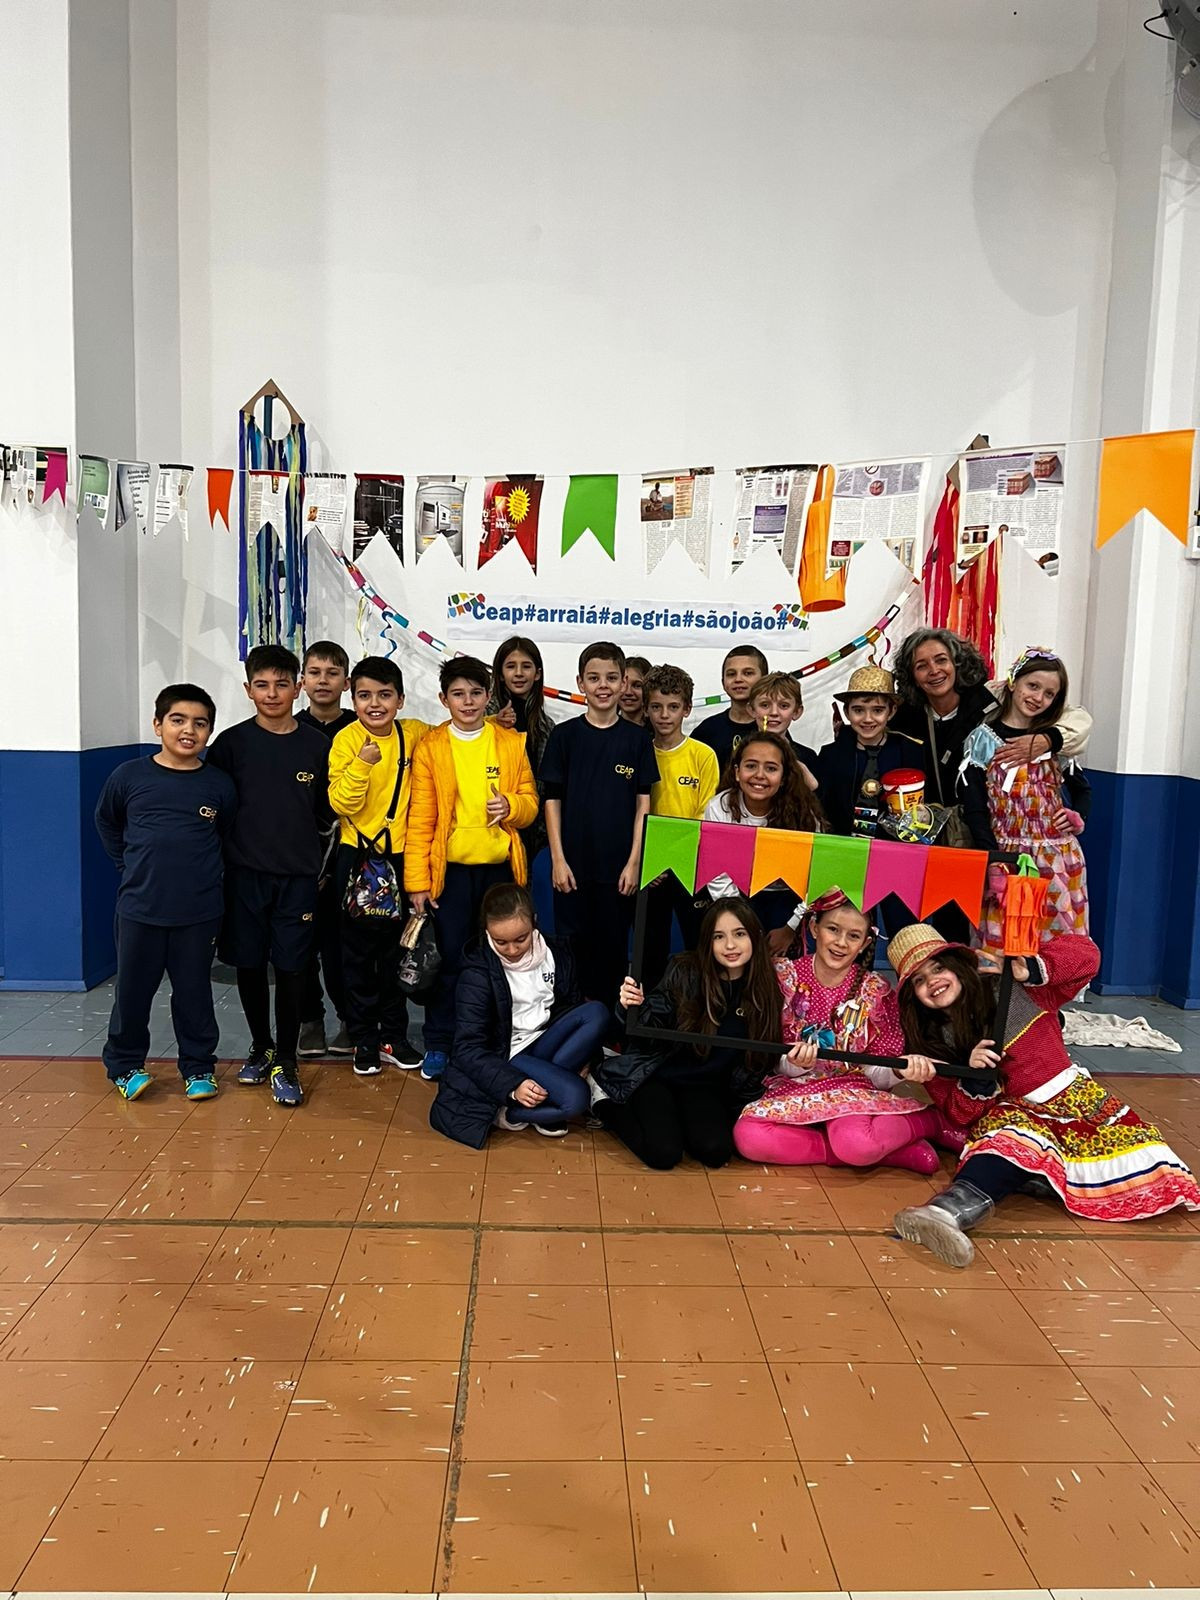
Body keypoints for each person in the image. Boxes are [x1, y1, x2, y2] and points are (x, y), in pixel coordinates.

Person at [888, 924, 1200, 1267]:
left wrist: (1032, 969)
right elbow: (959, 1114)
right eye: (919, 980)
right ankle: (943, 1214)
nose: (932, 981)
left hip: (1079, 1106)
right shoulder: (931, 1042)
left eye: (938, 968)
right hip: (1014, 1117)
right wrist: (976, 1077)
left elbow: (1087, 955)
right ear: (911, 995)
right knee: (1009, 1139)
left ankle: (1036, 1177)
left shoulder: (1019, 990)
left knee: (1148, 1166)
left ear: (958, 966)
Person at [734, 891, 961, 1172]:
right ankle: (885, 1153)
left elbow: (877, 1072)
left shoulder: (875, 990)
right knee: (748, 1136)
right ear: (814, 927)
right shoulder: (782, 976)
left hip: (852, 1090)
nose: (841, 943)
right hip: (793, 1087)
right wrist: (793, 1063)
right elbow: (768, 1053)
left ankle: (931, 1122)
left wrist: (898, 1070)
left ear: (865, 942)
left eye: (853, 936)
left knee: (855, 1143)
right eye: (833, 929)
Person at [95, 684, 237, 1101]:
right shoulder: (128, 777)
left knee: (194, 994)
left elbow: (226, 836)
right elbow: (106, 822)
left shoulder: (219, 784)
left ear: (209, 731)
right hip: (140, 908)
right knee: (132, 993)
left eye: (200, 723)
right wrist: (128, 866)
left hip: (199, 912)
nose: (188, 730)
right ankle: (124, 1065)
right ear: (158, 725)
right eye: (178, 720)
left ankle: (198, 1067)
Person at [207, 645, 332, 1108]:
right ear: (248, 689)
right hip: (244, 877)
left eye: (282, 684)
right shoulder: (230, 745)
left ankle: (287, 1058)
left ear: (298, 688)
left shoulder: (317, 745)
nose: (272, 693)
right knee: (249, 962)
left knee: (293, 966)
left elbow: (327, 815)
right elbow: (215, 811)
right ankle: (261, 1047)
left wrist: (318, 865)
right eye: (262, 685)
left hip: (298, 878)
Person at [406, 656, 539, 1082]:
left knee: (501, 959)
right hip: (450, 874)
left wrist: (511, 806)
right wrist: (418, 883)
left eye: (476, 693)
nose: (468, 702)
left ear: (488, 696)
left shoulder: (509, 742)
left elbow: (530, 803)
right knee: (447, 962)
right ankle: (440, 1042)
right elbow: (420, 819)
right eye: (458, 694)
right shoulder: (431, 747)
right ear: (443, 699)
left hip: (499, 872)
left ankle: (494, 1040)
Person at [593, 898, 793, 1170]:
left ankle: (675, 1122)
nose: (730, 945)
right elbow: (648, 1027)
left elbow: (759, 1057)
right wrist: (631, 1006)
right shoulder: (686, 969)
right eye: (719, 936)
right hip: (658, 1075)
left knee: (715, 1151)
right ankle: (602, 1102)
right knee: (663, 1154)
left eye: (739, 934)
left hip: (707, 1087)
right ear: (707, 941)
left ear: (755, 937)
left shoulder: (765, 986)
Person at [431, 883, 609, 1146]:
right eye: (501, 942)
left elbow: (570, 1009)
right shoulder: (477, 972)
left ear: (534, 922)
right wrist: (513, 1086)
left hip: (545, 1041)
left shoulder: (556, 953)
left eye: (521, 939)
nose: (512, 950)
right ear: (487, 931)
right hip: (507, 1055)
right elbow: (468, 1048)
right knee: (576, 1099)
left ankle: (546, 1091)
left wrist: (587, 1058)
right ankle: (509, 1112)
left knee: (597, 1012)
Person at [328, 656, 430, 1077]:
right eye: (365, 695)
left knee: (396, 954)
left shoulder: (414, 734)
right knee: (356, 958)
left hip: (401, 859)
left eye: (385, 695)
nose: (375, 704)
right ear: (353, 699)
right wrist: (363, 763)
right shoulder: (347, 740)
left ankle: (393, 1036)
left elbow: (457, 733)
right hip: (357, 860)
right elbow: (341, 803)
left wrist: (498, 721)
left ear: (400, 700)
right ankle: (363, 1038)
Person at [542, 641, 658, 1007]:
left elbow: (643, 805)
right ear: (580, 683)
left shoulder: (638, 740)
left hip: (618, 871)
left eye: (611, 678)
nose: (602, 685)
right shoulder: (564, 736)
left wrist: (634, 862)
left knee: (612, 954)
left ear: (624, 682)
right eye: (594, 678)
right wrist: (558, 860)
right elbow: (552, 801)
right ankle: (573, 1026)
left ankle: (609, 1028)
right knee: (572, 955)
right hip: (572, 869)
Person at [960, 647, 1090, 955]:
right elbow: (975, 807)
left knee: (1054, 949)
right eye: (1033, 686)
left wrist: (1077, 815)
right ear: (1013, 682)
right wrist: (993, 857)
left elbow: (1082, 789)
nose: (1038, 697)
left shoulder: (1054, 740)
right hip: (1007, 858)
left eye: (1049, 694)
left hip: (1057, 860)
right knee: (1003, 946)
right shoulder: (983, 739)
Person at [703, 731, 826, 954]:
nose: (759, 775)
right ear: (737, 772)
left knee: (783, 963)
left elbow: (817, 877)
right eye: (751, 766)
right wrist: (742, 925)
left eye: (771, 768)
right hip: (738, 896)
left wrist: (790, 927)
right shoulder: (719, 807)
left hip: (790, 901)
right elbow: (716, 873)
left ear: (784, 777)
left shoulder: (803, 815)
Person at [295, 640, 357, 1061]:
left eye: (332, 673)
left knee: (343, 947)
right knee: (301, 944)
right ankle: (310, 1020)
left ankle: (350, 1018)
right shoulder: (290, 728)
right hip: (299, 855)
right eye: (315, 672)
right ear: (303, 681)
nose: (323, 681)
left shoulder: (361, 726)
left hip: (351, 853)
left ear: (346, 682)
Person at [641, 663, 720, 988]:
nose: (664, 715)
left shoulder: (703, 755)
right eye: (656, 707)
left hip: (693, 866)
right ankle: (648, 1011)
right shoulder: (638, 751)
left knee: (699, 944)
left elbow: (707, 815)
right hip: (650, 868)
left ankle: (701, 1008)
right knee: (649, 948)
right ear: (646, 709)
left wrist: (675, 856)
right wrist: (650, 860)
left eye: (673, 707)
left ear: (686, 709)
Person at [816, 664, 925, 839]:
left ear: (891, 712)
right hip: (841, 843)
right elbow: (822, 805)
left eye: (878, 710)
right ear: (846, 712)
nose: (867, 719)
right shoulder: (831, 755)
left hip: (895, 845)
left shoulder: (910, 752)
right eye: (858, 710)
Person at [487, 635, 552, 862]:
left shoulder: (546, 725)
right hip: (492, 822)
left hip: (532, 826)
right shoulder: (484, 714)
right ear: (500, 674)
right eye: (510, 666)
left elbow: (545, 785)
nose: (518, 673)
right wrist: (492, 722)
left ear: (537, 674)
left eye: (526, 666)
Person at [692, 646, 769, 772]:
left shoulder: (771, 727)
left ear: (764, 680)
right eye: (731, 674)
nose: (738, 679)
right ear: (723, 682)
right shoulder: (707, 730)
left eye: (748, 673)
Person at [747, 672, 819, 783]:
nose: (774, 712)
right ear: (752, 710)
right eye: (765, 705)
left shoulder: (807, 757)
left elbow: (817, 793)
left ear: (796, 712)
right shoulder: (739, 752)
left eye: (784, 706)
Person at [619, 655, 651, 727]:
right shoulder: (602, 729)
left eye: (637, 685)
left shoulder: (660, 732)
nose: (628, 692)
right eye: (623, 684)